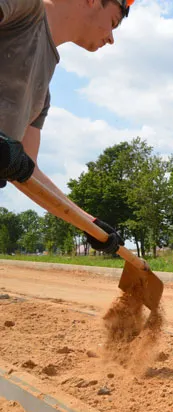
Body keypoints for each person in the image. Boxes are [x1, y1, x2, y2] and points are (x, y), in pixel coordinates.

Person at [0, 0, 133, 253]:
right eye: (113, 22)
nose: (112, 38)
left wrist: (88, 223)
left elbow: (28, 170)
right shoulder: (25, 7)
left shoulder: (42, 93)